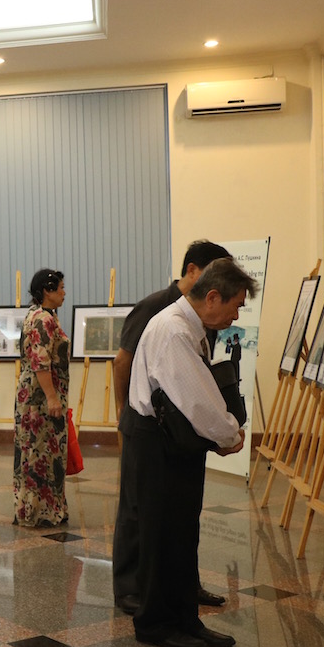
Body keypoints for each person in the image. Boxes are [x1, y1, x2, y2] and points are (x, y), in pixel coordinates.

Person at [126, 258, 256, 647]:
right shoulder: (174, 331)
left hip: (173, 442)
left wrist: (222, 432)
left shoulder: (186, 324)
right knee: (163, 536)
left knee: (181, 534)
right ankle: (157, 625)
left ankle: (184, 618)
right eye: (235, 305)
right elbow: (197, 402)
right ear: (212, 297)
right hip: (159, 444)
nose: (236, 315)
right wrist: (228, 435)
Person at [112, 241, 231, 615]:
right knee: (137, 511)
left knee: (177, 514)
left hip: (178, 427)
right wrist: (121, 415)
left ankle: (183, 584)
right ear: (193, 271)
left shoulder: (201, 314)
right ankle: (131, 587)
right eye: (212, 272)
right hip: (145, 420)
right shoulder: (156, 308)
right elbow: (121, 362)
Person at [14, 269, 69, 528]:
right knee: (41, 450)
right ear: (47, 291)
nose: (64, 293)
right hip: (40, 397)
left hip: (36, 395)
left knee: (40, 450)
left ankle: (39, 508)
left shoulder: (39, 315)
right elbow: (41, 361)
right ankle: (40, 511)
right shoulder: (42, 319)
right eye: (60, 288)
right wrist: (52, 398)